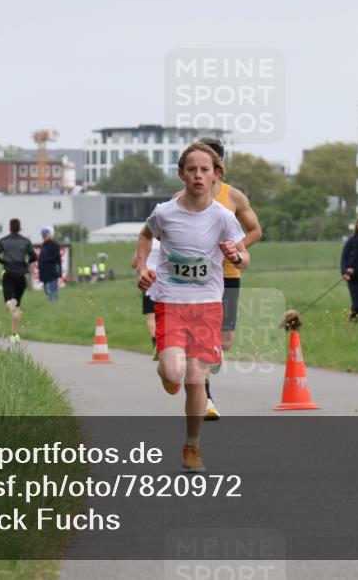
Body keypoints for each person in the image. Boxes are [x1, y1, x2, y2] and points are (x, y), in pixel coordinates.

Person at [134, 142, 249, 472]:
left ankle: (192, 447)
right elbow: (145, 235)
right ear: (181, 174)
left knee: (196, 380)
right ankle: (166, 370)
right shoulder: (166, 212)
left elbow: (245, 257)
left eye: (205, 170)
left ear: (216, 175)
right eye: (192, 169)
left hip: (207, 305)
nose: (198, 175)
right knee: (173, 374)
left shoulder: (224, 217)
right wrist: (143, 268)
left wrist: (236, 256)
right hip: (170, 302)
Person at [173, 136, 262, 421]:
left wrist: (236, 249)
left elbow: (255, 230)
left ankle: (213, 358)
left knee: (225, 341)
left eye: (209, 164)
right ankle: (207, 399)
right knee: (197, 344)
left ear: (218, 167)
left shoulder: (234, 197)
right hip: (196, 281)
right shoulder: (180, 198)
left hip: (229, 274)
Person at [0, 218, 37, 343]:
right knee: (17, 305)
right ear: (20, 228)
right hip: (20, 275)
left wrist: (4, 261)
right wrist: (25, 263)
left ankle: (9, 305)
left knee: (9, 301)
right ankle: (14, 334)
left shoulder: (3, 241)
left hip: (8, 273)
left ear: (9, 228)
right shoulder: (26, 241)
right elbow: (34, 256)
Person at [132, 237, 162, 353]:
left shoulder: (146, 242)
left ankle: (156, 344)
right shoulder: (168, 239)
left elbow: (134, 263)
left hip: (149, 281)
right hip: (166, 282)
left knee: (151, 317)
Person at [340, 216, 358, 322]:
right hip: (353, 277)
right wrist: (344, 272)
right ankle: (353, 321)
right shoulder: (351, 241)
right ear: (357, 226)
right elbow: (344, 258)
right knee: (356, 302)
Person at [38, 227, 63, 302]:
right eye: (43, 236)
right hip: (44, 270)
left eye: (45, 235)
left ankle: (53, 301)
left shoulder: (54, 245)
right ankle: (52, 299)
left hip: (52, 270)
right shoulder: (43, 245)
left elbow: (56, 257)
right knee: (47, 289)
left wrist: (45, 261)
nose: (44, 237)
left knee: (52, 288)